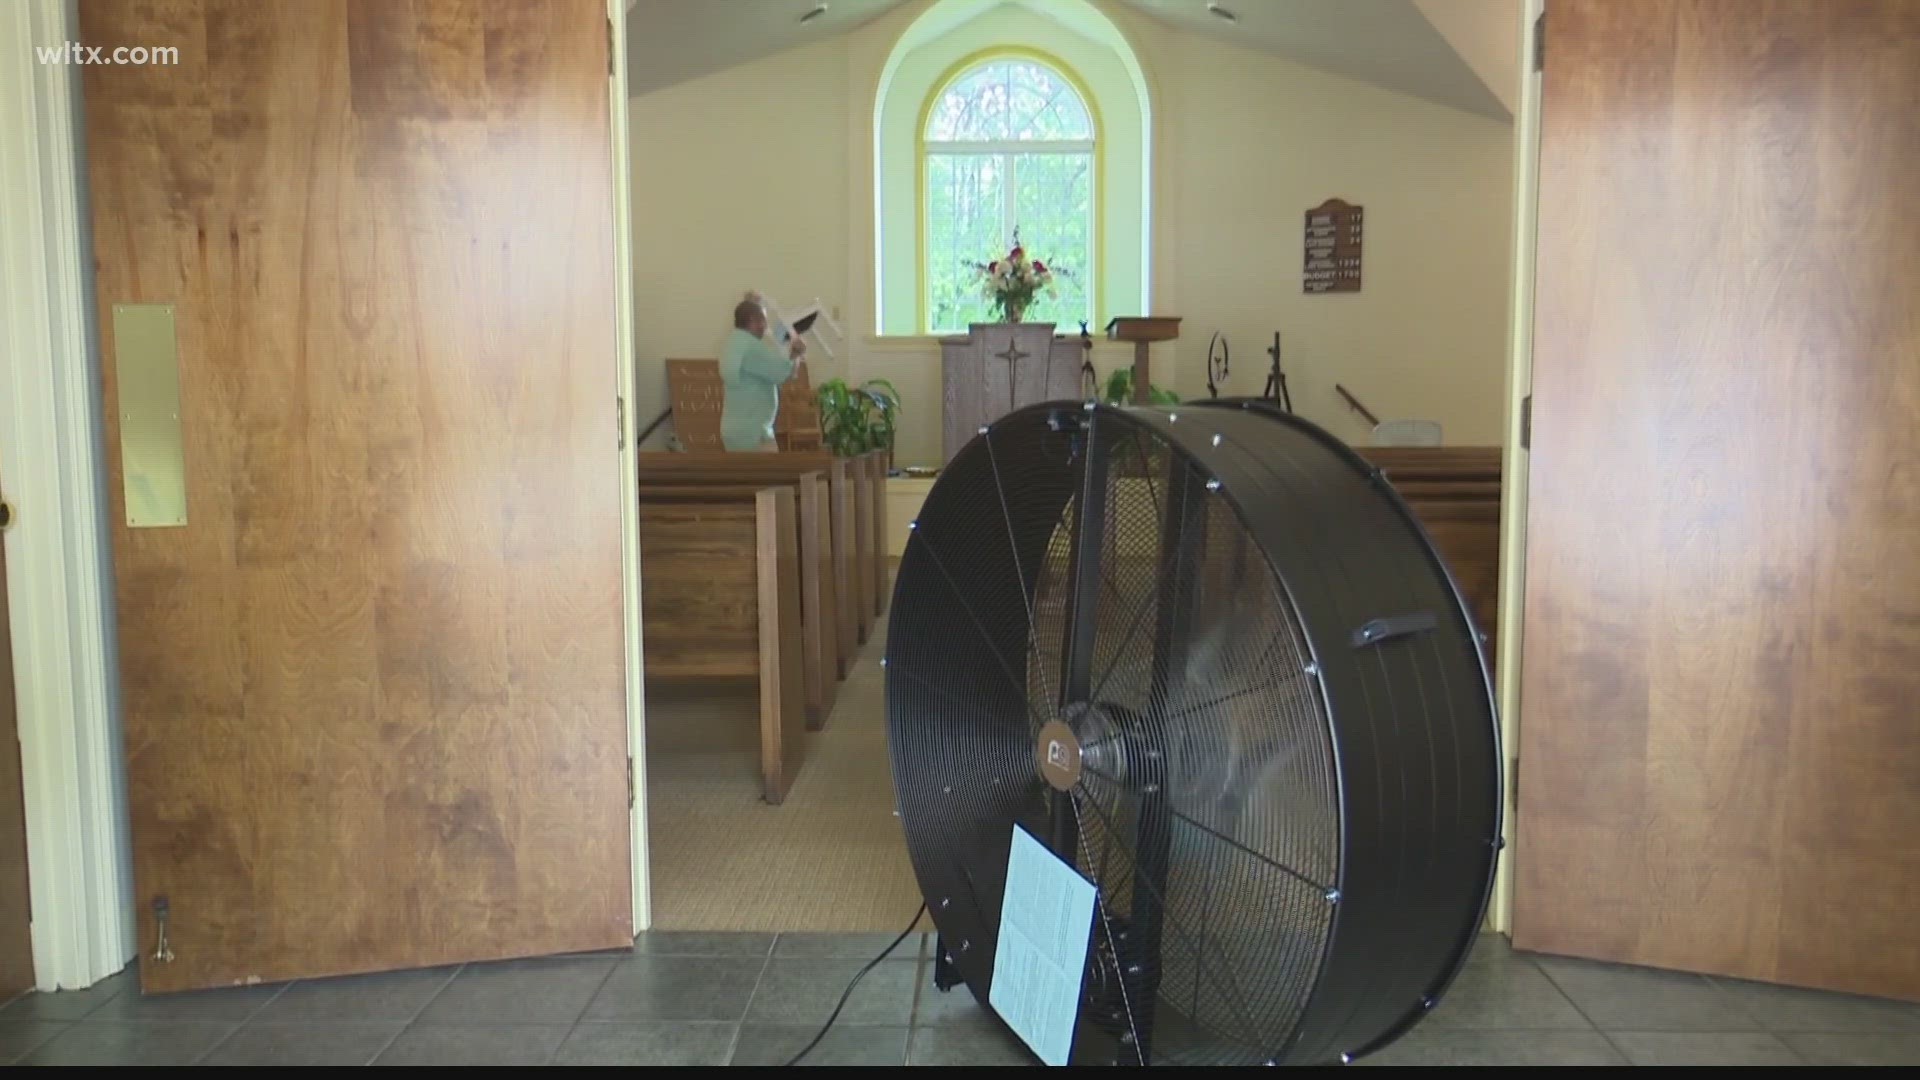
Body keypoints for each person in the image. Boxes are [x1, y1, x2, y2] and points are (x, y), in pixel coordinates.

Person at [718, 292, 806, 452]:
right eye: (764, 320)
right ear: (753, 320)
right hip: (753, 433)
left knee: (744, 476)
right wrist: (796, 353)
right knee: (770, 476)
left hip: (734, 430)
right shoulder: (751, 347)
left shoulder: (732, 342)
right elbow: (782, 373)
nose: (765, 326)